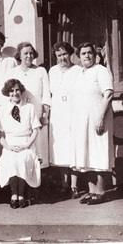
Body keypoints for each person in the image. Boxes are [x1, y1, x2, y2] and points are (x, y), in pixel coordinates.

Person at [72, 42, 114, 205]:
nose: (87, 56)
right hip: (83, 122)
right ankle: (91, 191)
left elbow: (108, 94)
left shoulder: (101, 71)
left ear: (95, 55)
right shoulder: (80, 73)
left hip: (98, 120)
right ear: (79, 57)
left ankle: (101, 191)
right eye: (83, 53)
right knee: (87, 155)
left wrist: (100, 117)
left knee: (99, 154)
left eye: (90, 53)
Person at [6, 42, 51, 168]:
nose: (29, 56)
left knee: (39, 149)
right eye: (25, 53)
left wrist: (44, 114)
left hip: (37, 114)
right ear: (19, 55)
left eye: (31, 53)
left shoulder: (41, 71)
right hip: (19, 115)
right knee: (22, 149)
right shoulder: (12, 72)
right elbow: (8, 96)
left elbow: (46, 95)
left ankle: (38, 180)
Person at [0, 79, 41, 209]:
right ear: (7, 93)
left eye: (17, 90)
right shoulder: (2, 109)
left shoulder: (29, 107)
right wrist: (8, 147)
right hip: (10, 143)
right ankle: (14, 194)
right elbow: (0, 136)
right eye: (11, 91)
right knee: (9, 159)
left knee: (22, 159)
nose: (15, 93)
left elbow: (35, 130)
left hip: (26, 142)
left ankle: (21, 194)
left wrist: (27, 145)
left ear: (21, 91)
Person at [48, 41, 81, 199]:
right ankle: (64, 184)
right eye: (59, 55)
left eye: (65, 54)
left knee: (72, 147)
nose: (62, 58)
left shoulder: (77, 70)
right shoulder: (52, 71)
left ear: (70, 54)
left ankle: (74, 186)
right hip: (58, 113)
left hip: (72, 112)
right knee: (60, 149)